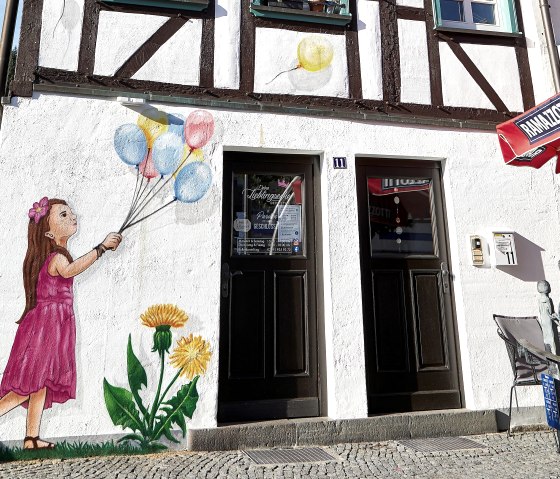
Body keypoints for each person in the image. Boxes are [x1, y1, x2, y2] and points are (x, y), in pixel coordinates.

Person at [0, 197, 122, 449]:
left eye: (71, 212)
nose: (72, 216)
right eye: (63, 215)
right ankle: (30, 436)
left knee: (40, 383)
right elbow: (71, 270)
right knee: (28, 385)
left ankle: (31, 438)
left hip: (52, 326)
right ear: (48, 231)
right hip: (46, 327)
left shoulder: (56, 255)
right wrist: (100, 249)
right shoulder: (57, 257)